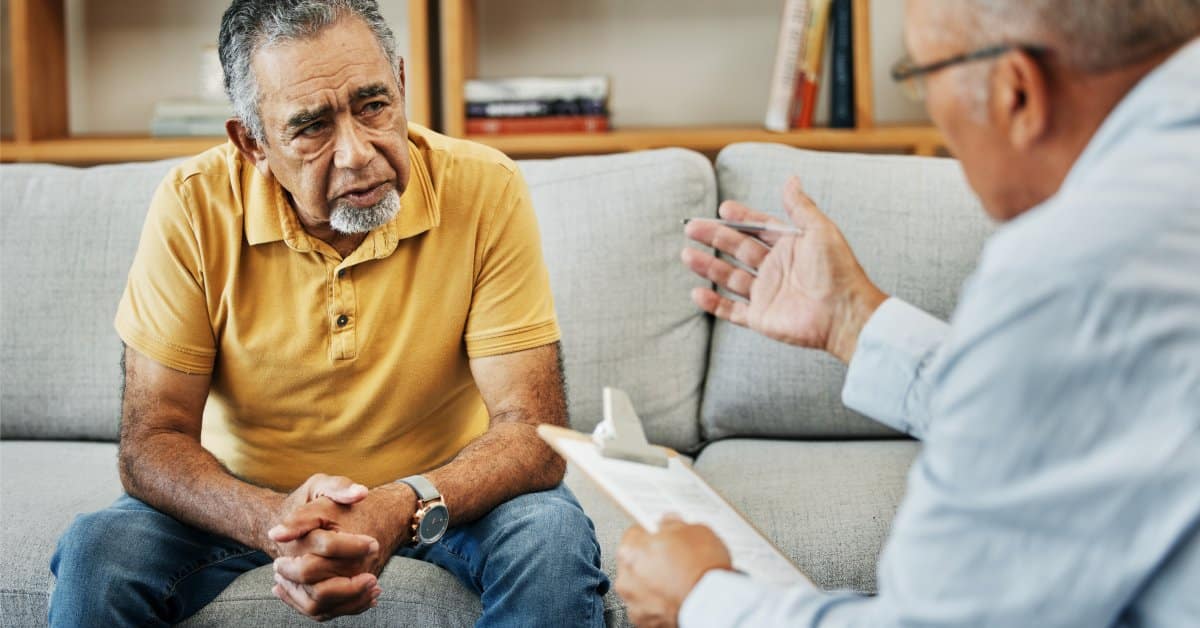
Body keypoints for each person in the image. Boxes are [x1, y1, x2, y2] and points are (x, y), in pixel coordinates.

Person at [616, 1, 1200, 626]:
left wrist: (703, 600)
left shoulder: (1073, 264)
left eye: (921, 77)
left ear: (1015, 91)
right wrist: (850, 321)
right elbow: (1088, 413)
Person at [48, 1, 609, 625]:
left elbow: (532, 432)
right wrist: (275, 520)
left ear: (400, 82)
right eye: (312, 126)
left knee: (551, 542)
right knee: (98, 552)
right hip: (247, 497)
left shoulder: (485, 187)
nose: (357, 155)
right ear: (252, 142)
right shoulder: (192, 207)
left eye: (373, 106)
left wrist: (401, 505)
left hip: (447, 494)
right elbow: (151, 442)